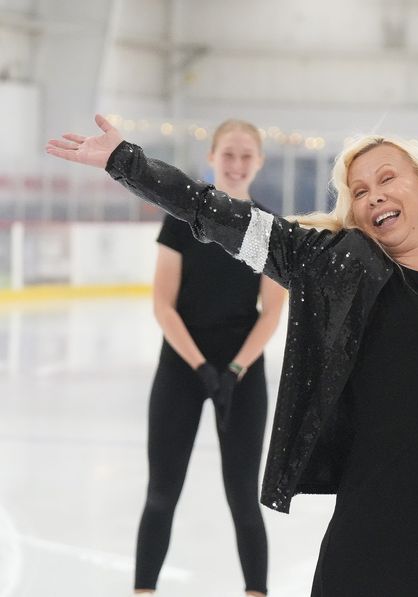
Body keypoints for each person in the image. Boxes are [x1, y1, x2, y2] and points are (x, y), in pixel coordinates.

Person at [46, 10, 418, 596]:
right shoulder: (340, 266)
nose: (373, 197)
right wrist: (126, 162)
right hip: (384, 525)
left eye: (387, 178)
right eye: (359, 192)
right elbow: (215, 213)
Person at [134, 120, 285, 596]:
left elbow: (271, 314)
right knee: (161, 494)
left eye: (246, 156)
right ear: (212, 157)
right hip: (182, 366)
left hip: (242, 370)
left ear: (258, 162)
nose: (237, 164)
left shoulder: (269, 229)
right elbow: (163, 304)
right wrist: (199, 366)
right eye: (229, 154)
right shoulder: (181, 219)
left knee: (243, 498)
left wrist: (235, 369)